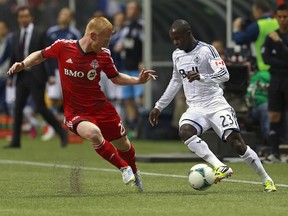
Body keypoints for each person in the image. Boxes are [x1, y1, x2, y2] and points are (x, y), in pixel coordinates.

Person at [7, 16, 156, 192]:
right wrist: (23, 64)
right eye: (105, 40)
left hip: (102, 109)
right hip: (76, 112)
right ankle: (124, 168)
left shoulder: (103, 55)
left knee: (124, 145)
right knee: (93, 133)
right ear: (93, 36)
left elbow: (115, 78)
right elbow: (40, 56)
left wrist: (137, 80)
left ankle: (135, 172)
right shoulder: (63, 46)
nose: (107, 45)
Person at [149, 19, 276, 192]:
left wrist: (202, 76)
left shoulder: (207, 50)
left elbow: (224, 75)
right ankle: (219, 166)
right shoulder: (176, 54)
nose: (175, 42)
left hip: (216, 104)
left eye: (178, 38)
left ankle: (266, 179)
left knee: (237, 144)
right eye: (173, 39)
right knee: (185, 131)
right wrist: (158, 106)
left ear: (188, 34)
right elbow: (175, 81)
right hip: (195, 108)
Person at [4, 6, 68, 148]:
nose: (24, 19)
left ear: (31, 18)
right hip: (21, 77)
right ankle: (16, 141)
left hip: (37, 76)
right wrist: (10, 77)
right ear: (18, 19)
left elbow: (49, 55)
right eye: (21, 17)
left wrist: (51, 75)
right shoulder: (15, 36)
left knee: (41, 107)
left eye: (26, 16)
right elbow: (14, 57)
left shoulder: (40, 33)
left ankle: (61, 133)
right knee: (17, 108)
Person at [42, 7, 82, 141]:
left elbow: (79, 54)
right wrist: (49, 74)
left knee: (70, 101)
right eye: (61, 13)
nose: (62, 16)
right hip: (54, 71)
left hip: (69, 72)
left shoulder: (75, 34)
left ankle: (73, 128)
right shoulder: (51, 32)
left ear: (71, 18)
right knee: (52, 100)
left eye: (66, 14)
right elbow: (45, 54)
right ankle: (53, 128)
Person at [262, 3, 288, 163]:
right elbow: (266, 59)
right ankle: (274, 152)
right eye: (280, 17)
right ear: (276, 18)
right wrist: (283, 60)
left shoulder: (275, 38)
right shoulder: (270, 36)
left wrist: (279, 43)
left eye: (285, 16)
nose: (283, 20)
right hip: (276, 79)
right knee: (274, 115)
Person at [114, 1, 144, 138]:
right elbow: (121, 43)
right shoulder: (126, 27)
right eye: (128, 8)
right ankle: (133, 128)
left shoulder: (142, 25)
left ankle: (145, 126)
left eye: (132, 8)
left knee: (140, 98)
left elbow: (145, 44)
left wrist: (143, 61)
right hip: (126, 67)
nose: (129, 11)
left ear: (138, 11)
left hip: (138, 67)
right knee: (128, 99)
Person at [233, 0, 279, 73]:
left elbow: (239, 40)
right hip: (281, 68)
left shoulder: (258, 26)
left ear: (259, 10)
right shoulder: (278, 22)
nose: (253, 14)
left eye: (254, 11)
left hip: (264, 70)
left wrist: (236, 28)